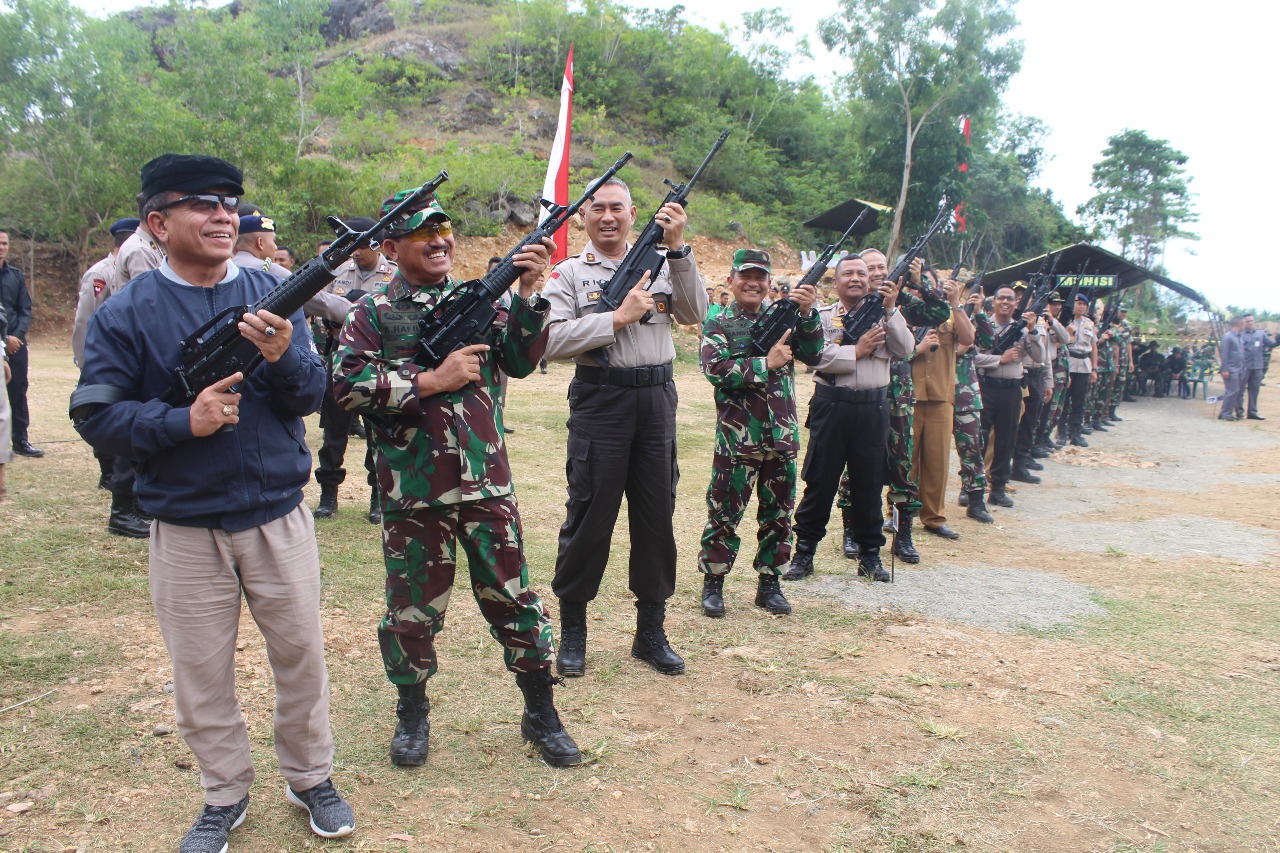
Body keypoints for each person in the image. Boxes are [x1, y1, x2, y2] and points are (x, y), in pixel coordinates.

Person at [73, 153, 354, 850]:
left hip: (275, 515)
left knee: (301, 656)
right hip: (185, 522)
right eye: (202, 203)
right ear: (158, 224)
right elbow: (95, 414)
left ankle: (310, 774)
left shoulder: (272, 289)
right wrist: (180, 422)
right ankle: (224, 794)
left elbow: (311, 397)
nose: (224, 214)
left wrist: (288, 353)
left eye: (231, 201)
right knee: (200, 670)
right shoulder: (127, 312)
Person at [333, 188, 579, 768]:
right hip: (413, 487)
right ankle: (412, 712)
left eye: (445, 232)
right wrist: (429, 381)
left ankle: (540, 711)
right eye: (424, 234)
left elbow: (521, 360)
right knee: (412, 609)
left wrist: (526, 294)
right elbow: (345, 388)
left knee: (516, 599)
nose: (441, 242)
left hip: (486, 483)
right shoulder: (370, 314)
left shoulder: (479, 302)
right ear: (392, 247)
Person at [541, 177, 707, 677]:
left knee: (657, 516)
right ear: (584, 217)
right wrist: (615, 319)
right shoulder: (569, 274)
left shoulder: (662, 261)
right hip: (601, 399)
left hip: (657, 400)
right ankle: (573, 630)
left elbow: (696, 313)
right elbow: (548, 341)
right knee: (590, 514)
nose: (608, 217)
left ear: (635, 214)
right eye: (598, 209)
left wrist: (678, 249)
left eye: (618, 208)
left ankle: (650, 632)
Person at [696, 249, 822, 617]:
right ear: (732, 281)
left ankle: (770, 585)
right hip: (738, 440)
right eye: (746, 276)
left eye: (761, 277)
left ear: (769, 283)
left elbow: (814, 353)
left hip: (780, 437)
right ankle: (714, 584)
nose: (753, 283)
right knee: (723, 513)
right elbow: (715, 369)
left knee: (779, 515)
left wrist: (807, 314)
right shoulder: (719, 322)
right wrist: (764, 363)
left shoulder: (784, 317)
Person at [784, 255, 912, 584]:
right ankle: (804, 553)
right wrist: (854, 351)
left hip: (872, 409)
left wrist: (891, 308)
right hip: (832, 406)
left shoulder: (887, 314)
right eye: (848, 274)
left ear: (870, 280)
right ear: (835, 282)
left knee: (868, 486)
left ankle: (870, 557)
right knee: (820, 483)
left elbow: (906, 348)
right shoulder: (823, 316)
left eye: (861, 273)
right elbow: (812, 355)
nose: (855, 278)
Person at [313, 217, 395, 522]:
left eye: (358, 246)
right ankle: (328, 496)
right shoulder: (340, 273)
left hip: (377, 365)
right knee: (333, 432)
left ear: (374, 244)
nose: (354, 253)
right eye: (350, 247)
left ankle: (377, 498)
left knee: (377, 434)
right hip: (339, 361)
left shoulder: (394, 275)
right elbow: (324, 314)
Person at [910, 275, 974, 540]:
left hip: (940, 398)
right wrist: (917, 348)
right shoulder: (904, 313)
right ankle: (896, 514)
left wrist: (955, 303)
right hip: (908, 397)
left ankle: (934, 518)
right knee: (905, 461)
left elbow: (968, 337)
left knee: (937, 462)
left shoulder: (948, 314)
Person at [974, 286, 1043, 508]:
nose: (1005, 302)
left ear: (1016, 303)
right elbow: (970, 358)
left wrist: (1033, 332)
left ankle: (998, 488)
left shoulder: (1022, 330)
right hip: (986, 387)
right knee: (978, 440)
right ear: (993, 302)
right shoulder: (981, 325)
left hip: (1012, 390)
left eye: (1010, 299)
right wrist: (998, 360)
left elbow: (1039, 357)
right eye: (1001, 297)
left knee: (1006, 439)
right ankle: (971, 488)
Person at [72, 218, 137, 368]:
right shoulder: (100, 274)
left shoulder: (134, 270)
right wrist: (84, 362)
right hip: (103, 359)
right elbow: (84, 319)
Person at [953, 289, 995, 522]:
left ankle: (976, 499)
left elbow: (989, 341)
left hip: (965, 394)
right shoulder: (936, 315)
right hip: (934, 392)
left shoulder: (968, 319)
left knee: (971, 448)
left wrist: (979, 313)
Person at [1, 230, 42, 458]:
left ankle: (21, 441)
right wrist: (2, 340)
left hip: (16, 344)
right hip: (3, 342)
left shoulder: (15, 276)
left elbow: (24, 309)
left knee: (18, 392)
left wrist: (15, 337)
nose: (1, 247)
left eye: (4, 243)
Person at [1062, 294, 1098, 446]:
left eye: (1084, 304)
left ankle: (1075, 433)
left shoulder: (1089, 324)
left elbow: (1094, 347)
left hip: (1084, 364)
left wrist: (1094, 368)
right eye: (1079, 303)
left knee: (1079, 401)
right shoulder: (1065, 321)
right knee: (1064, 400)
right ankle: (1061, 432)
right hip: (1069, 361)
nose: (1081, 306)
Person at [1240, 314, 1276, 419]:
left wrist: (1278, 340)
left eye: (1251, 320)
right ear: (1243, 322)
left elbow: (1271, 344)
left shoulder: (1261, 334)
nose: (1250, 323)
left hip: (1257, 367)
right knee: (1240, 390)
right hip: (1244, 367)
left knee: (1254, 391)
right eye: (1247, 321)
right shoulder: (1240, 335)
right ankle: (1239, 412)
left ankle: (1252, 412)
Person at [1218, 317, 1247, 421]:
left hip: (1239, 368)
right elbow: (1224, 354)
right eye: (1244, 323)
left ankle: (1226, 412)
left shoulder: (1239, 337)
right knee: (1232, 391)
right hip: (1231, 369)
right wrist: (1224, 369)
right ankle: (1226, 413)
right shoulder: (1228, 337)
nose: (1245, 325)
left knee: (1235, 392)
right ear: (1239, 324)